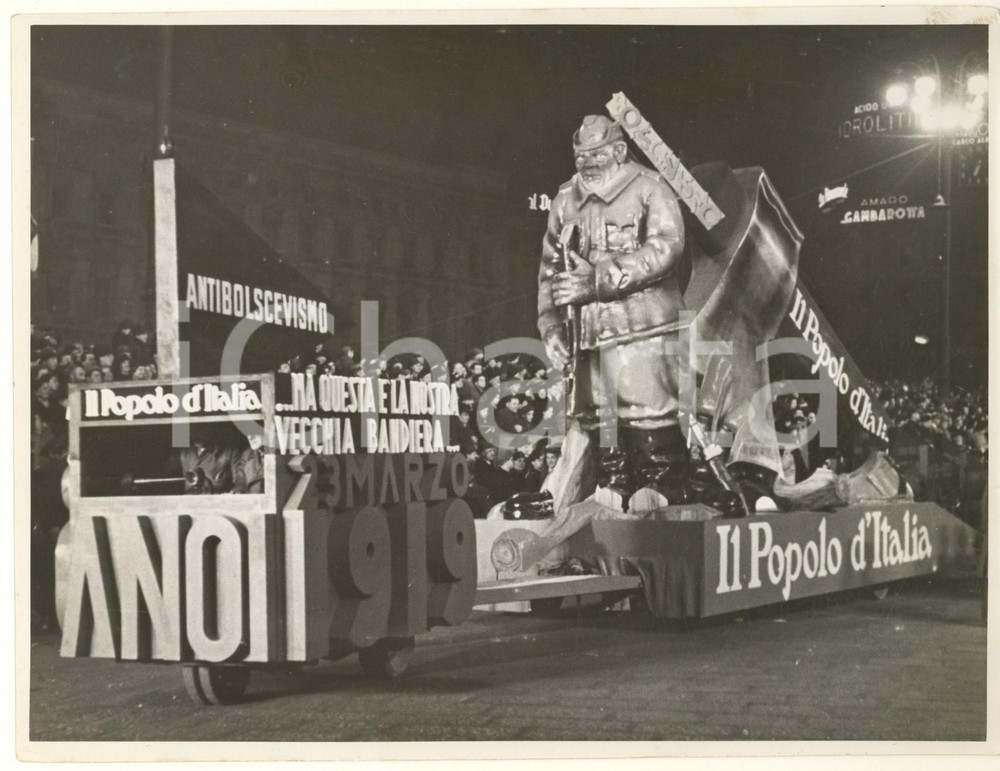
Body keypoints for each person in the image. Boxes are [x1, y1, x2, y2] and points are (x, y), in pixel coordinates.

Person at [539, 115, 744, 514]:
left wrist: (597, 281)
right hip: (590, 335)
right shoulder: (565, 199)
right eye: (580, 155)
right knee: (601, 416)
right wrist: (550, 326)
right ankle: (613, 488)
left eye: (596, 154)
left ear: (618, 150)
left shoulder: (650, 188)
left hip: (647, 328)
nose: (586, 163)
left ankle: (662, 489)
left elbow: (667, 247)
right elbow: (549, 268)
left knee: (649, 413)